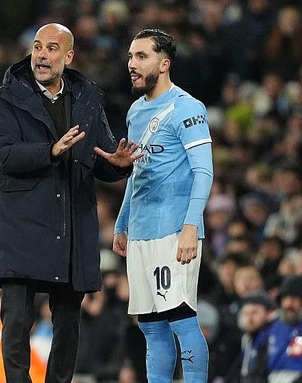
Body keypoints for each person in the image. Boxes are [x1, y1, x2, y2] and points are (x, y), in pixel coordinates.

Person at [0, 23, 140, 382]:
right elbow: (2, 154)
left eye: (52, 48)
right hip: (20, 224)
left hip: (71, 222)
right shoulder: (5, 98)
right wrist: (50, 150)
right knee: (18, 319)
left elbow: (98, 153)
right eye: (37, 46)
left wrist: (116, 166)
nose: (41, 54)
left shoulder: (88, 97)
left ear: (68, 57)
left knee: (68, 321)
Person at [107, 28, 214, 383]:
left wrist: (191, 225)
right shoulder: (136, 110)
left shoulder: (187, 108)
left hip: (174, 230)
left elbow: (204, 172)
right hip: (140, 230)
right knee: (151, 327)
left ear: (164, 63)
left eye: (141, 57)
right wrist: (122, 223)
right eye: (130, 57)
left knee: (181, 320)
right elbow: (137, 172)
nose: (131, 65)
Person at [225, 290, 277, 383]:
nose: (249, 318)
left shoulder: (274, 336)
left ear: (269, 312)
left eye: (254, 312)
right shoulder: (248, 339)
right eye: (246, 314)